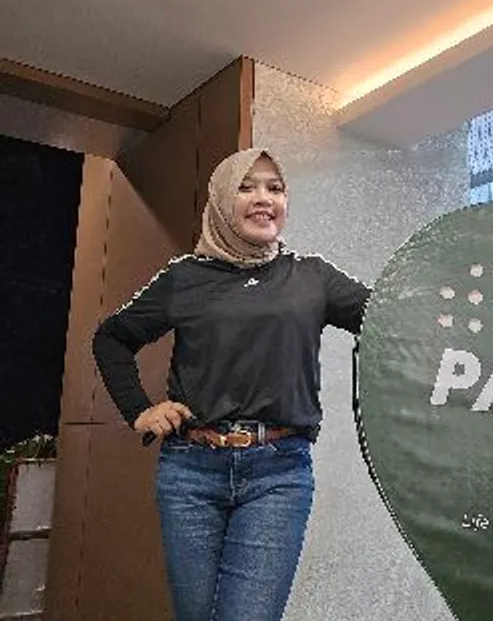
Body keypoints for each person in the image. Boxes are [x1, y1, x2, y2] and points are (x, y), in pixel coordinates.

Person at [92, 148, 370, 621]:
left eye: (275, 188)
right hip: (190, 472)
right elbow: (112, 338)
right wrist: (139, 409)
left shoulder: (312, 277)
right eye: (246, 187)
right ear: (221, 201)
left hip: (278, 475)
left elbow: (389, 320)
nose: (264, 198)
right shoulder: (184, 277)